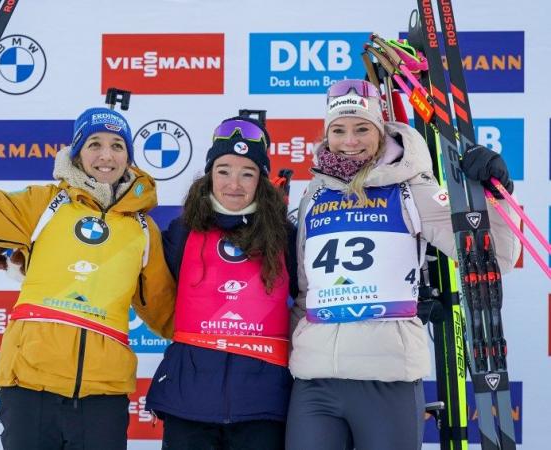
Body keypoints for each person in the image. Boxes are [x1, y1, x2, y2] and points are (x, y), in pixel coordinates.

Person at [0, 95, 176, 450]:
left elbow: (168, 313)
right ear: (77, 153)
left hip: (103, 395)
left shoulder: (143, 230)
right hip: (30, 385)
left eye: (117, 146)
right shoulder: (44, 205)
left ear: (128, 157)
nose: (106, 155)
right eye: (94, 144)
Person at [285, 79, 520, 450]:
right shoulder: (314, 195)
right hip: (315, 383)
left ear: (380, 131)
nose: (350, 141)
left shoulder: (413, 188)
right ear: (327, 135)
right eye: (339, 130)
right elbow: (304, 290)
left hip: (388, 377)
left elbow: (497, 257)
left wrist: (496, 193)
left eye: (362, 129)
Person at [145, 116, 299, 450]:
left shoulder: (285, 237)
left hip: (262, 406)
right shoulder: (182, 232)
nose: (235, 184)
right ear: (209, 175)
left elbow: (312, 302)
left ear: (262, 180)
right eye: (224, 170)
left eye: (248, 173)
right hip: (189, 403)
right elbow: (135, 270)